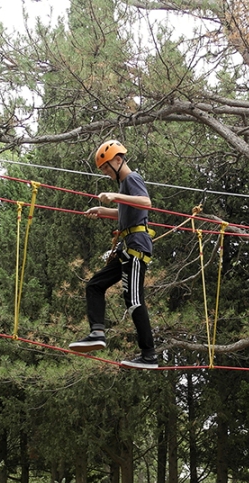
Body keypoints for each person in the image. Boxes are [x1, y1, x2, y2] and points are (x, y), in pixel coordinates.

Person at [69, 139, 158, 369]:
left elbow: (145, 202)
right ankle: (97, 333)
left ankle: (149, 355)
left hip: (137, 246)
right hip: (126, 248)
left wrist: (116, 196)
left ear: (118, 160)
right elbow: (126, 211)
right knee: (95, 285)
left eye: (107, 168)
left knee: (134, 300)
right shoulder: (123, 185)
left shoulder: (131, 179)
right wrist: (104, 211)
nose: (107, 173)